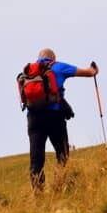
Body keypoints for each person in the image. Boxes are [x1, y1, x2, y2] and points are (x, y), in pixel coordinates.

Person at [26, 48, 98, 192]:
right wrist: (93, 70)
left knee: (36, 160)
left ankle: (38, 195)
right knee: (62, 153)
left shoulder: (28, 71)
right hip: (54, 116)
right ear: (52, 57)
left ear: (38, 58)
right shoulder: (58, 66)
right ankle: (59, 187)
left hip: (34, 118)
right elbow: (88, 73)